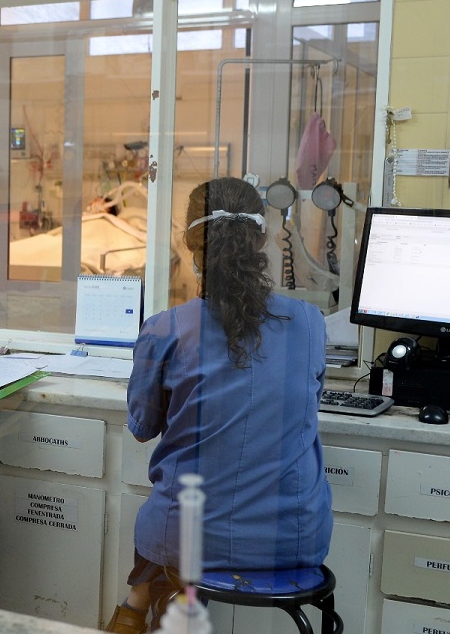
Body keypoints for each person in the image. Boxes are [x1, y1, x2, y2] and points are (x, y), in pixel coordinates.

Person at [106, 177, 333, 633]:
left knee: (166, 535)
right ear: (263, 239)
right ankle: (139, 608)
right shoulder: (309, 324)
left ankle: (135, 610)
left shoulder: (166, 329)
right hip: (293, 541)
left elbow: (142, 425)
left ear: (190, 244)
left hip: (185, 540)